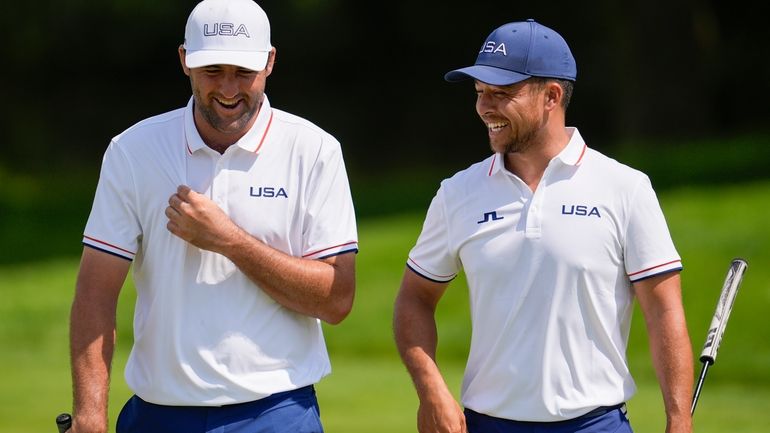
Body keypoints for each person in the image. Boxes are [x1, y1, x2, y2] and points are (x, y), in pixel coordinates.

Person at [68, 0, 358, 432]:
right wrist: (89, 414)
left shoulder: (314, 150)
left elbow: (336, 300)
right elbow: (95, 293)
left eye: (243, 72)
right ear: (185, 60)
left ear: (270, 62)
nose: (227, 89)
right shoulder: (133, 150)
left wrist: (229, 241)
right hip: (157, 413)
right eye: (212, 71)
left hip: (276, 414)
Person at [393, 19, 693, 433]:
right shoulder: (457, 193)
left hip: (595, 425)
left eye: (502, 93)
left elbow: (663, 310)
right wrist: (431, 390)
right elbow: (414, 299)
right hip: (487, 424)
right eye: (480, 93)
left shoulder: (625, 188)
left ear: (552, 95)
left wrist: (679, 420)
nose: (484, 108)